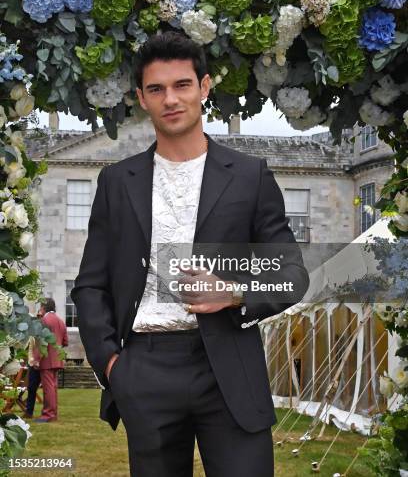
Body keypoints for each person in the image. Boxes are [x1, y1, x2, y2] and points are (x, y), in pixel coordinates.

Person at [71, 31, 309, 477]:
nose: (171, 99)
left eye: (182, 85)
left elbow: (293, 273)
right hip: (145, 366)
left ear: (204, 87)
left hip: (229, 365)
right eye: (157, 89)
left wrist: (235, 292)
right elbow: (90, 284)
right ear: (141, 98)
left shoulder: (249, 176)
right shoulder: (116, 181)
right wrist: (112, 364)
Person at [32, 298, 68, 423]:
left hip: (46, 359)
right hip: (57, 358)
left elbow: (41, 342)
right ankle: (53, 414)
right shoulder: (60, 321)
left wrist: (36, 359)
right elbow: (65, 342)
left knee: (48, 388)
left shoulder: (44, 320)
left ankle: (48, 415)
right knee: (53, 387)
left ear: (43, 307)